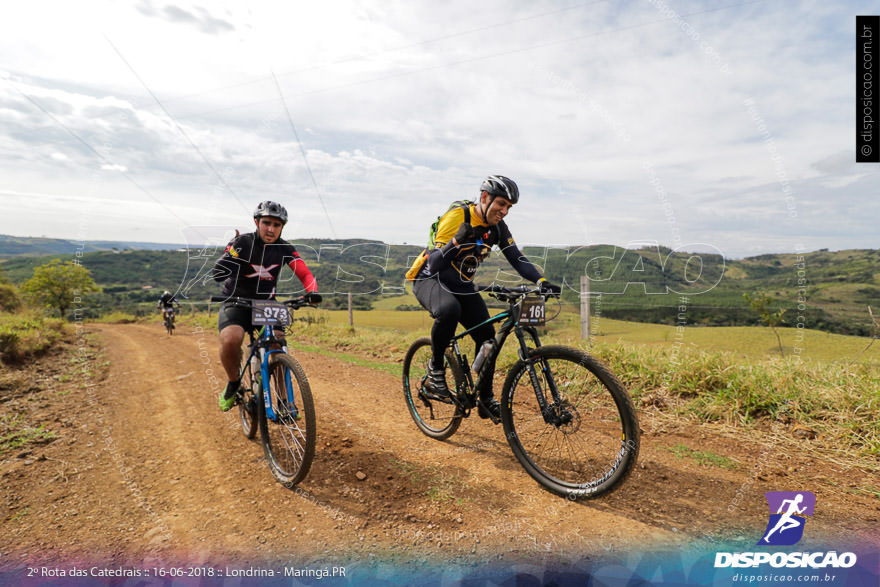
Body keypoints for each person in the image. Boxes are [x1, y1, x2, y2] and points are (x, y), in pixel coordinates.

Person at [407, 175, 561, 420]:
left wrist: (540, 281)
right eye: (501, 204)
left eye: (509, 207)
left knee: (488, 339)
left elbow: (516, 257)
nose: (504, 211)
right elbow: (434, 263)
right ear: (485, 198)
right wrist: (456, 240)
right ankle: (435, 369)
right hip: (429, 279)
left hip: (461, 284)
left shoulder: (497, 228)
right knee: (449, 311)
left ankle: (486, 398)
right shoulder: (459, 216)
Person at [211, 200, 318, 412]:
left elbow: (304, 273)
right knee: (231, 338)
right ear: (256, 222)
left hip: (265, 304)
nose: (271, 229)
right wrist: (231, 253)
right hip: (236, 302)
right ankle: (233, 382)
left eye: (277, 225)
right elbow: (218, 273)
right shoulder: (243, 242)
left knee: (277, 344)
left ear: (282, 227)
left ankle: (284, 401)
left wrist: (312, 291)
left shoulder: (285, 248)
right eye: (266, 223)